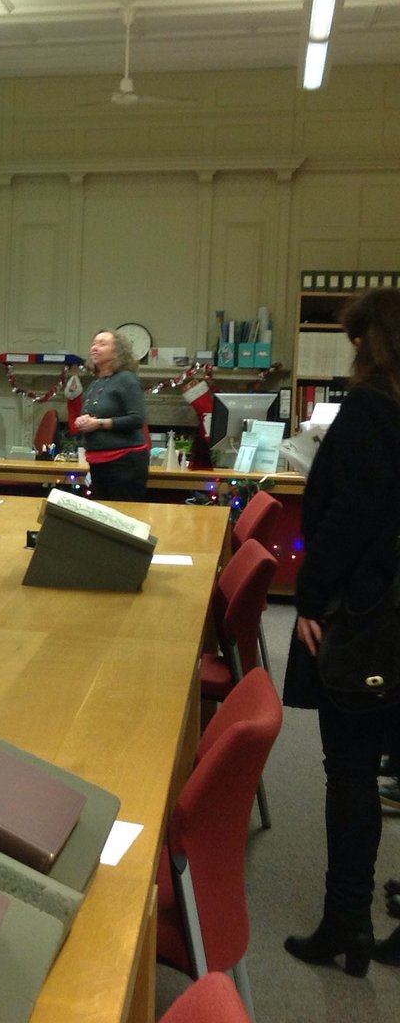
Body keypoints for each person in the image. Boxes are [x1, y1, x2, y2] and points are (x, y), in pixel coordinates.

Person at [282, 287, 400, 975]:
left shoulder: (366, 413)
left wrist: (310, 600)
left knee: (350, 770)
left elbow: (343, 523)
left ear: (366, 344)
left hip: (364, 619)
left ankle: (348, 922)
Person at [67, 329, 148, 501]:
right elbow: (92, 414)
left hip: (125, 464)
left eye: (102, 344)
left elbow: (137, 419)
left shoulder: (127, 379)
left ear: (117, 351)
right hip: (99, 463)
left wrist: (99, 424)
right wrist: (83, 420)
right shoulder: (97, 382)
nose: (94, 348)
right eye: (93, 344)